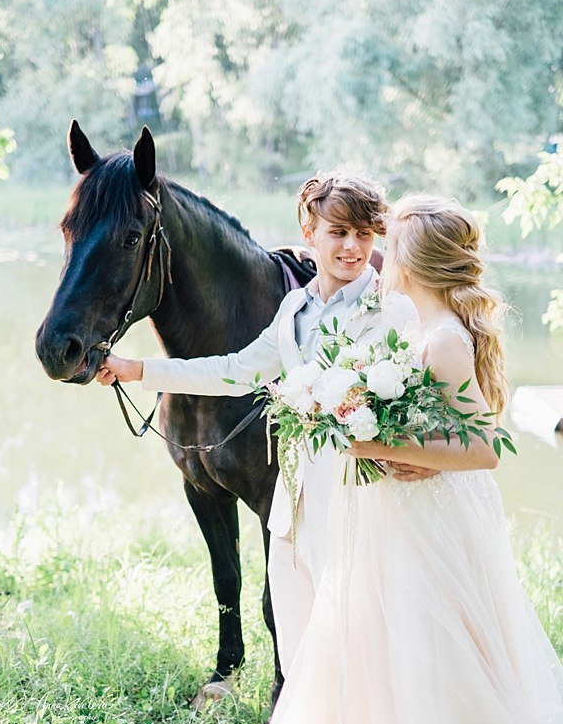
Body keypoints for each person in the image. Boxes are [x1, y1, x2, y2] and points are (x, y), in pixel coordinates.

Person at [224, 194, 563, 724]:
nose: (378, 252)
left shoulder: (442, 339)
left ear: (414, 262)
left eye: (391, 243)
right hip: (398, 513)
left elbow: (480, 449)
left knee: (429, 654)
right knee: (385, 652)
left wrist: (362, 436)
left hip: (430, 522)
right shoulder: (419, 327)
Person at [96, 173, 432, 677]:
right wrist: (137, 369)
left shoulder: (392, 308)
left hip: (367, 495)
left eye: (364, 234)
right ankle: (296, 707)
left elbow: (426, 398)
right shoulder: (293, 309)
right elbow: (232, 370)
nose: (352, 247)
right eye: (338, 232)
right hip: (304, 495)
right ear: (309, 229)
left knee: (366, 621)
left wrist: (419, 453)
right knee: (297, 609)